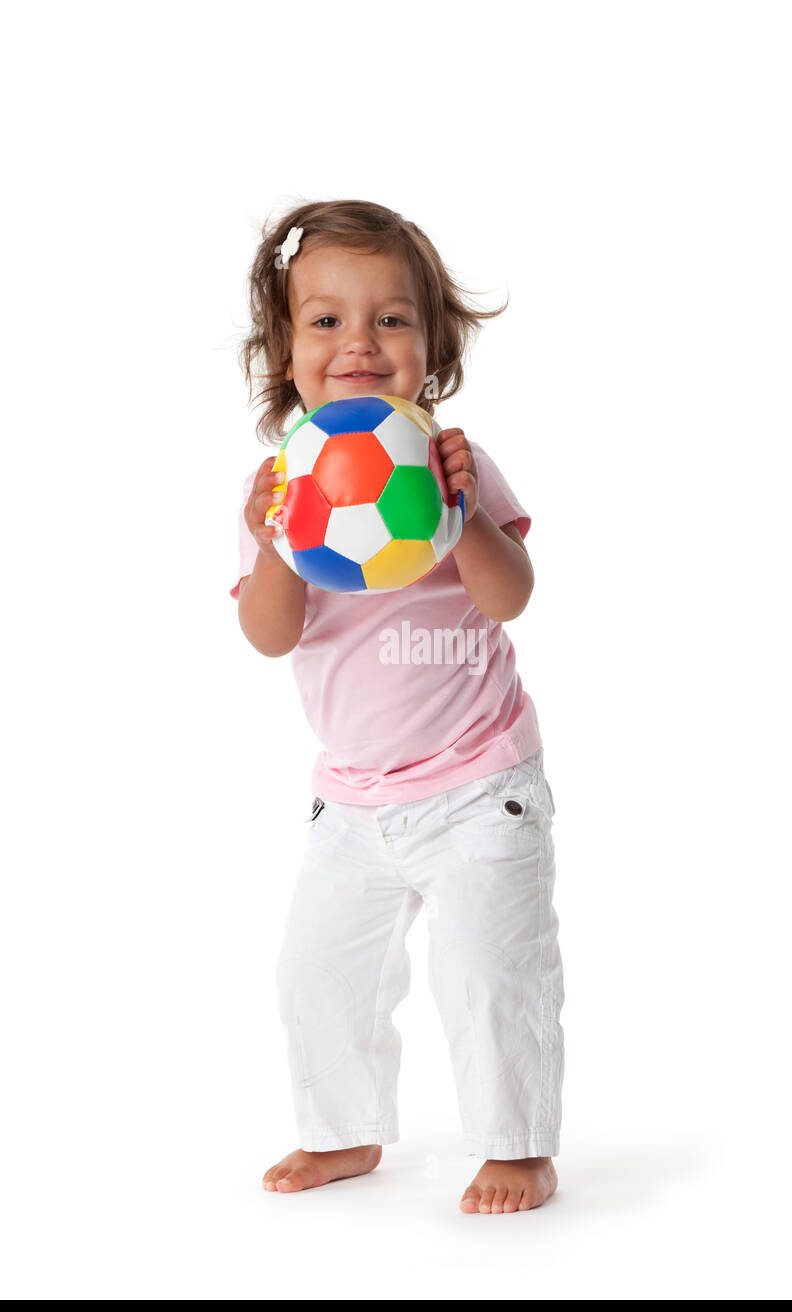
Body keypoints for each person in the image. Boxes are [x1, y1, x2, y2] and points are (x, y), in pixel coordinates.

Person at [230, 199, 564, 1214]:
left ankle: (515, 1144)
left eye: (389, 319)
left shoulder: (452, 460)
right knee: (314, 973)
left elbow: (512, 596)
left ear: (431, 344)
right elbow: (269, 633)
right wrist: (275, 541)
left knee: (490, 971)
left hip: (478, 779)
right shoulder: (280, 486)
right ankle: (341, 1133)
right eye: (325, 320)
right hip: (353, 796)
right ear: (284, 351)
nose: (359, 343)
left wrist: (462, 520)